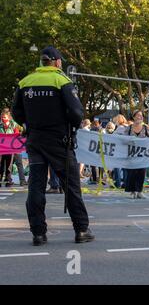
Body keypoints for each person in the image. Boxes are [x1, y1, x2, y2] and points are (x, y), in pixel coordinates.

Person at [12, 46, 94, 246]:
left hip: (35, 140)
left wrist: (28, 124)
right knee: (71, 185)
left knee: (36, 185)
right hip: (59, 140)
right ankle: (81, 230)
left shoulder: (25, 82)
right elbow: (76, 112)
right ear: (57, 62)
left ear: (41, 63)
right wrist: (70, 128)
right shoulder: (62, 81)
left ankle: (38, 233)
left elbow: (16, 112)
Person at [124, 110, 149, 199]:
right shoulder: (129, 128)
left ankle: (140, 191)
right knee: (132, 173)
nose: (139, 117)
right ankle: (133, 191)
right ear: (133, 117)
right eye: (137, 115)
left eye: (141, 116)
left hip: (142, 155)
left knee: (141, 173)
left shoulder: (145, 128)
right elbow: (123, 139)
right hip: (131, 154)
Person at [0, 111, 19, 187]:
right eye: (2, 117)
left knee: (9, 166)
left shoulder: (13, 126)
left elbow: (17, 135)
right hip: (1, 149)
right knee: (0, 165)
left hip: (10, 149)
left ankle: (8, 181)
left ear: (8, 118)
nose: (3, 118)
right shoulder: (0, 126)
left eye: (4, 117)